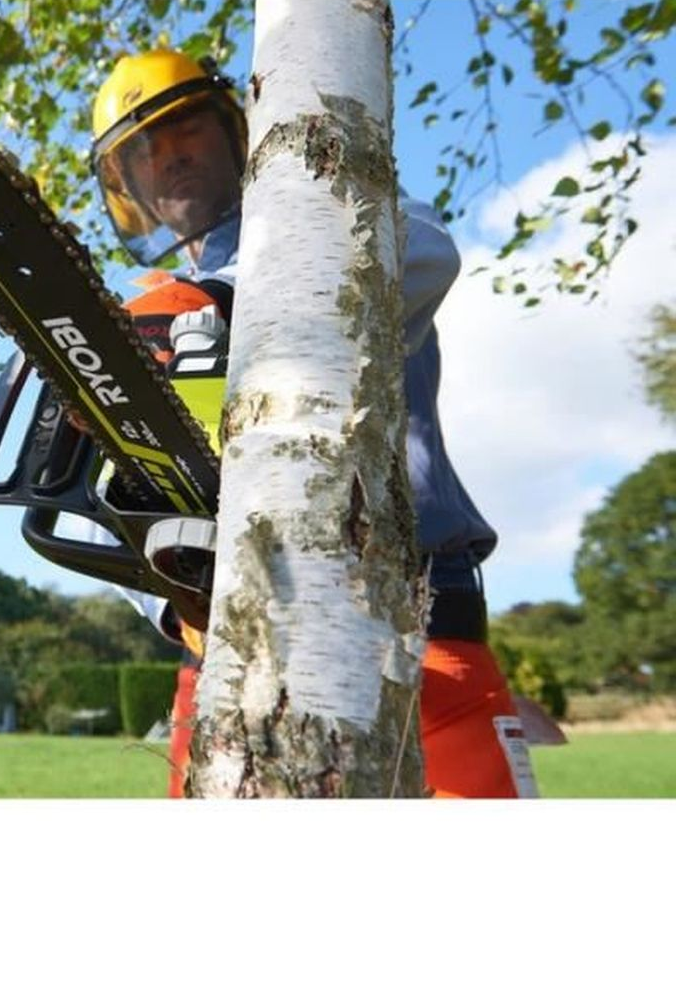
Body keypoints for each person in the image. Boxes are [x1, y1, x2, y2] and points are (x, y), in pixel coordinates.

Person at [88, 47, 537, 799]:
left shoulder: (339, 213)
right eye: (144, 153)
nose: (170, 159)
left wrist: (226, 306)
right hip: (229, 645)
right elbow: (118, 499)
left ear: (235, 131)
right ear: (126, 187)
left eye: (186, 130)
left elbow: (429, 247)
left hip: (416, 610)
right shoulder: (146, 321)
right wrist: (171, 598)